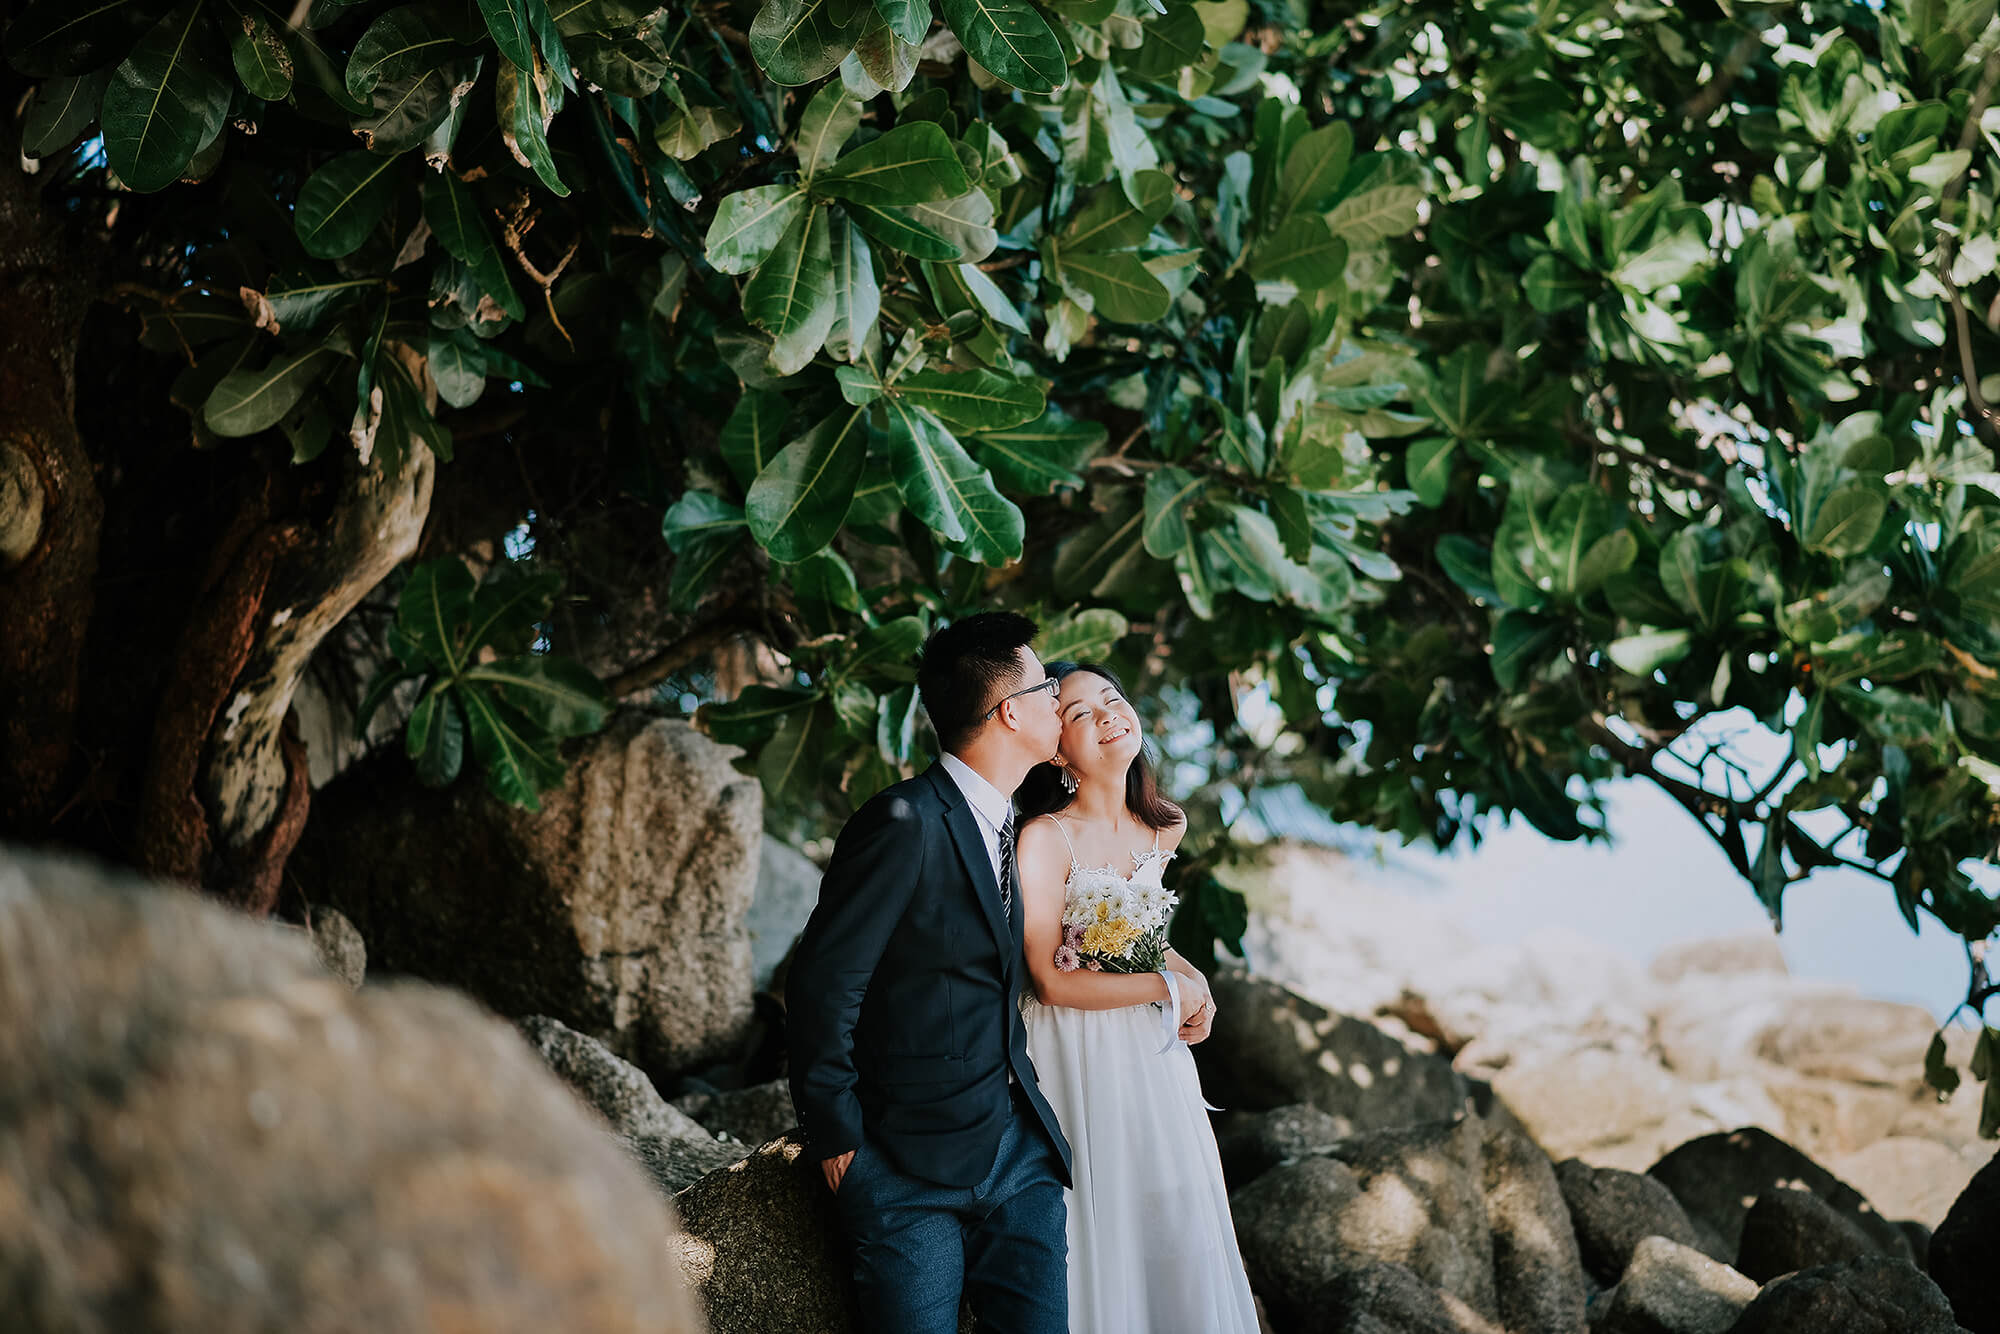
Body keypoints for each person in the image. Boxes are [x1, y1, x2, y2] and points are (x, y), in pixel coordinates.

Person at [786, 611, 1074, 1334]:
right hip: (903, 1169)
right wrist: (841, 1143)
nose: (1057, 697)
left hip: (1019, 1154)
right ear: (1010, 712)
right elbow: (824, 985)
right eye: (1047, 686)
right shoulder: (904, 821)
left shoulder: (1017, 824)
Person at [1014, 660, 1261, 1334]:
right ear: (1057, 750)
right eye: (1079, 713)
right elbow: (1050, 978)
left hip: (1149, 1049)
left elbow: (1146, 937)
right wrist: (1169, 985)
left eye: (1112, 698)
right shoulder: (1046, 838)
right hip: (1072, 1043)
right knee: (1103, 1213)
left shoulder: (1164, 826)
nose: (1106, 715)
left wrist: (1195, 985)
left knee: (1175, 1205)